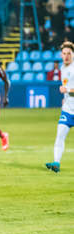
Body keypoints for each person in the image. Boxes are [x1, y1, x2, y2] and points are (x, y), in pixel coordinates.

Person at [46, 41, 74, 173]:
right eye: (64, 53)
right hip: (68, 110)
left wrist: (67, 90)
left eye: (69, 53)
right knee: (60, 136)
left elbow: (67, 88)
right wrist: (65, 98)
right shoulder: (63, 68)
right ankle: (56, 163)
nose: (66, 56)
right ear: (61, 55)